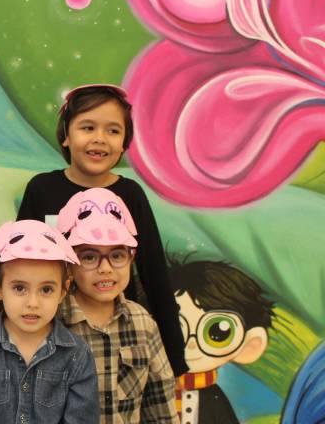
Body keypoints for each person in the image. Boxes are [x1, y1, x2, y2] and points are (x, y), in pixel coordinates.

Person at [16, 84, 187, 377]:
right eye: (87, 127)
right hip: (54, 334)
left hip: (117, 337)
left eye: (113, 130)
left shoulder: (130, 194)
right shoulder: (42, 189)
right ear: (66, 136)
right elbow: (18, 266)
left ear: (124, 144)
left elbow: (155, 275)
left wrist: (175, 361)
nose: (100, 139)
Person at [0, 219, 99, 423]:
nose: (32, 303)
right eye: (19, 288)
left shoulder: (78, 356)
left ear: (63, 291)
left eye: (46, 290)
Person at [58, 187, 177, 423]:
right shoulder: (51, 322)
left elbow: (160, 403)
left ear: (131, 258)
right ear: (69, 263)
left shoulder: (142, 322)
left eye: (117, 255)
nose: (105, 268)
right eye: (90, 256)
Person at [169, 259, 275, 424]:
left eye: (217, 332)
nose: (191, 344)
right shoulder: (146, 389)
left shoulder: (213, 400)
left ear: (250, 345)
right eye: (176, 328)